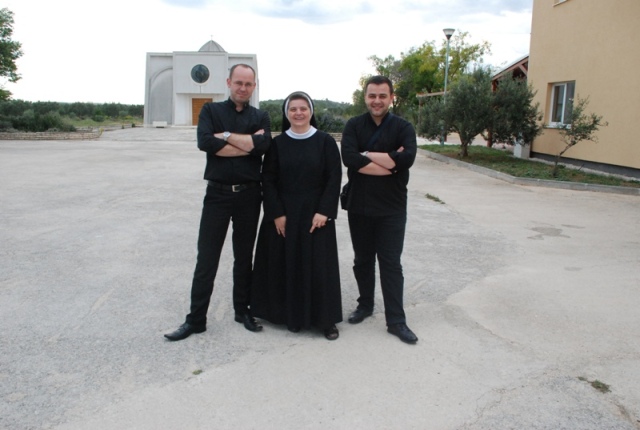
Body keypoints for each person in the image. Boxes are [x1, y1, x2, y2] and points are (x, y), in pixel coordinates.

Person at [164, 64, 271, 341]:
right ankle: (196, 320)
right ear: (228, 82)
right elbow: (205, 142)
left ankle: (242, 311)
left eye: (248, 84)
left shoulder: (260, 116)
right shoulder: (211, 111)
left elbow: (263, 147)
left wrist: (223, 136)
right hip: (217, 196)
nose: (243, 88)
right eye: (238, 82)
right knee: (207, 259)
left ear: (254, 86)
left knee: (244, 258)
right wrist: (247, 144)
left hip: (249, 195)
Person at [250, 91, 343, 340]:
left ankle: (325, 320)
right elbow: (268, 179)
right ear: (286, 113)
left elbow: (334, 178)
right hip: (285, 214)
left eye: (303, 108)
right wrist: (276, 213)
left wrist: (324, 211)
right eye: (293, 109)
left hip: (315, 216)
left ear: (311, 112)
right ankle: (287, 315)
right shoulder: (277, 144)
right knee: (284, 265)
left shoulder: (325, 142)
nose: (298, 113)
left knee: (319, 267)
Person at [340, 75, 418, 344]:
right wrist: (390, 162)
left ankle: (396, 321)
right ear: (365, 97)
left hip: (392, 208)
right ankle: (365, 305)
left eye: (382, 96)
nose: (377, 101)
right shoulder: (354, 125)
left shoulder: (403, 127)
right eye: (372, 95)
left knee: (391, 264)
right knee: (362, 260)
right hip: (359, 206)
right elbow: (349, 158)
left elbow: (407, 159)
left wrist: (367, 154)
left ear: (391, 98)